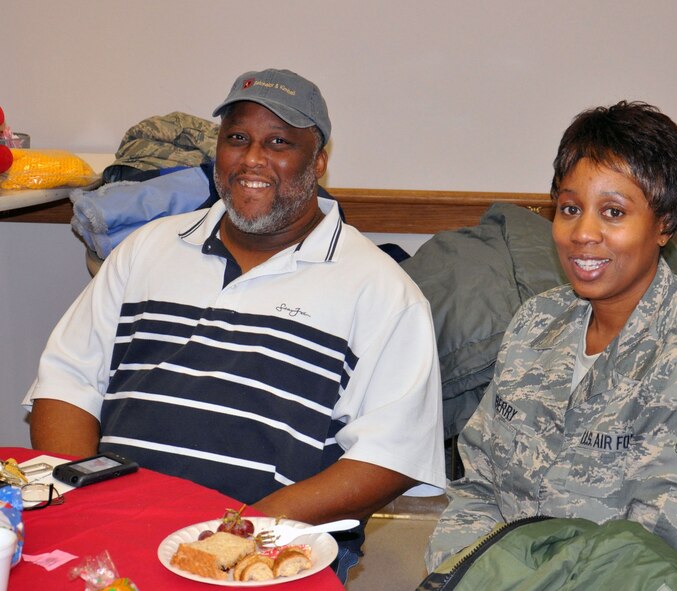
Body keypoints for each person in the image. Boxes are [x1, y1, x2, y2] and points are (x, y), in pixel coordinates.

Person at [24, 68, 446, 577]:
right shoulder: (148, 249)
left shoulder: (382, 291)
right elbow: (67, 382)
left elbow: (390, 459)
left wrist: (233, 534)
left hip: (267, 551)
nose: (252, 159)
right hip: (116, 530)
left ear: (319, 163)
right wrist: (81, 501)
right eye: (238, 138)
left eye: (279, 143)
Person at [425, 101, 677, 590]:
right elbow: (477, 490)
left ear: (665, 223)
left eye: (613, 212)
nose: (583, 234)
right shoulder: (534, 325)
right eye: (570, 209)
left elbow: (651, 564)